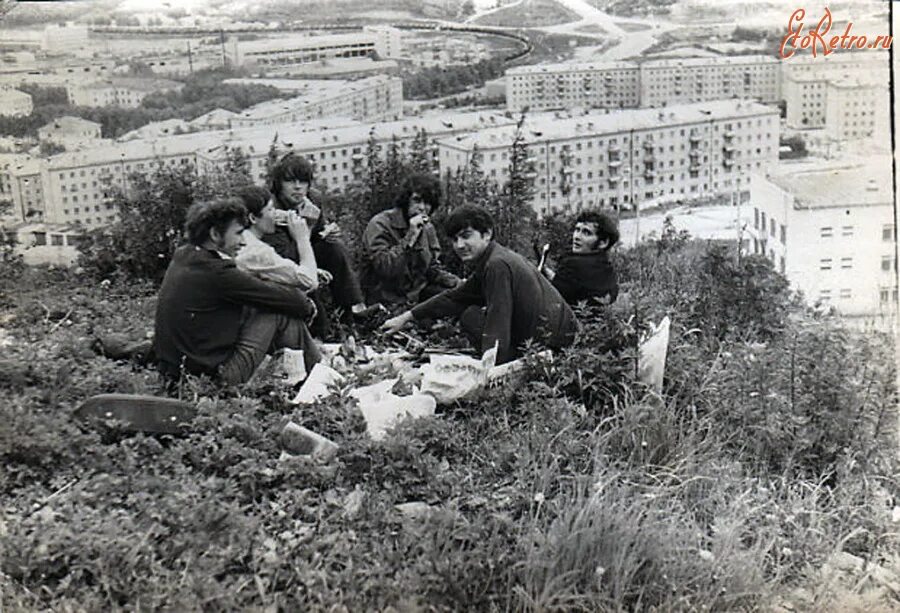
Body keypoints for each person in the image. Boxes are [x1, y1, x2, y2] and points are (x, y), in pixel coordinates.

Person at [380, 204, 578, 365]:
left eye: (466, 236)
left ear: (487, 234)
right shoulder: (494, 258)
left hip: (552, 347)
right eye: (454, 239)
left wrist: (491, 371)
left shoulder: (496, 265)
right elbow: (455, 297)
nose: (459, 245)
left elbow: (498, 321)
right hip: (558, 340)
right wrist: (406, 317)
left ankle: (508, 367)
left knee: (471, 317)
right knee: (469, 313)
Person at [154, 198, 320, 385]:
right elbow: (292, 302)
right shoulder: (218, 272)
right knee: (279, 313)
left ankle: (310, 375)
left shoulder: (184, 255)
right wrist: (308, 306)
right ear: (215, 234)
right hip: (214, 379)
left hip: (178, 373)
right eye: (239, 233)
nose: (243, 242)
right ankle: (319, 376)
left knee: (270, 306)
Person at [264, 153, 382, 331]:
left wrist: (328, 232)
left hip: (306, 251)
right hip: (282, 262)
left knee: (335, 248)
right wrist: (307, 227)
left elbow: (317, 235)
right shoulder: (271, 208)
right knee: (307, 272)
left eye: (303, 181)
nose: (297, 187)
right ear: (279, 184)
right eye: (290, 181)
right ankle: (321, 328)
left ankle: (353, 312)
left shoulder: (313, 199)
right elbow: (283, 255)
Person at [361, 173, 460, 306]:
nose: (422, 208)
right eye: (417, 200)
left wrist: (457, 282)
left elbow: (432, 269)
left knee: (460, 298)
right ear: (406, 200)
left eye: (428, 203)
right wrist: (410, 236)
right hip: (386, 299)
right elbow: (385, 268)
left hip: (417, 295)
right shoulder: (380, 224)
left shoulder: (427, 228)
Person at [234, 184, 325, 292]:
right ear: (253, 218)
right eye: (271, 209)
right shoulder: (256, 251)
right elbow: (310, 281)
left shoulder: (239, 240)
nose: (276, 213)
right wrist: (303, 238)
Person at [543, 210, 619, 305]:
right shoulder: (607, 268)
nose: (577, 237)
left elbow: (554, 296)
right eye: (577, 230)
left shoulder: (573, 264)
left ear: (603, 242)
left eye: (586, 233)